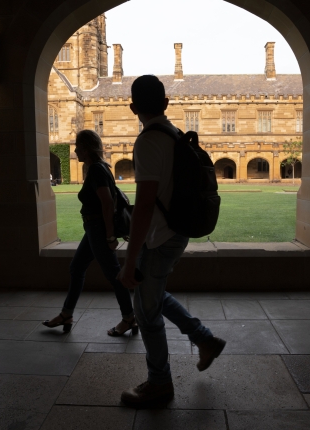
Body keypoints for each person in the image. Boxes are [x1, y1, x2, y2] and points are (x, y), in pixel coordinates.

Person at [118, 75, 226, 409]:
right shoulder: (175, 134)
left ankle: (160, 383)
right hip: (177, 231)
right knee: (154, 294)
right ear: (166, 103)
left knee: (145, 312)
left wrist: (129, 257)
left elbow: (145, 204)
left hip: (161, 236)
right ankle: (205, 340)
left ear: (133, 107)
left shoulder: (148, 140)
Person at [43, 130, 137, 337]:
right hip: (93, 229)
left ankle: (129, 318)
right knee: (76, 268)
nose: (75, 150)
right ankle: (67, 314)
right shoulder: (101, 167)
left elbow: (107, 203)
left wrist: (110, 236)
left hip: (98, 229)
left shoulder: (96, 169)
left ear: (86, 148)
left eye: (78, 146)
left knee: (114, 275)